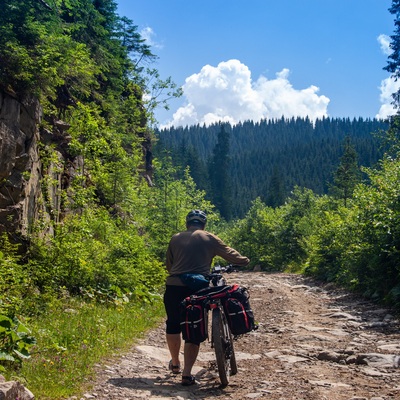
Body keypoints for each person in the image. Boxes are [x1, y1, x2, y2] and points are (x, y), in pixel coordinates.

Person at [164, 209, 250, 386]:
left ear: (187, 223)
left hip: (174, 285)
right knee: (194, 326)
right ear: (203, 224)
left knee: (173, 323)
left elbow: (169, 265)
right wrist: (244, 261)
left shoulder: (175, 238)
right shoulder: (209, 237)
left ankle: (175, 363)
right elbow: (231, 254)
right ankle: (187, 374)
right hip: (197, 288)